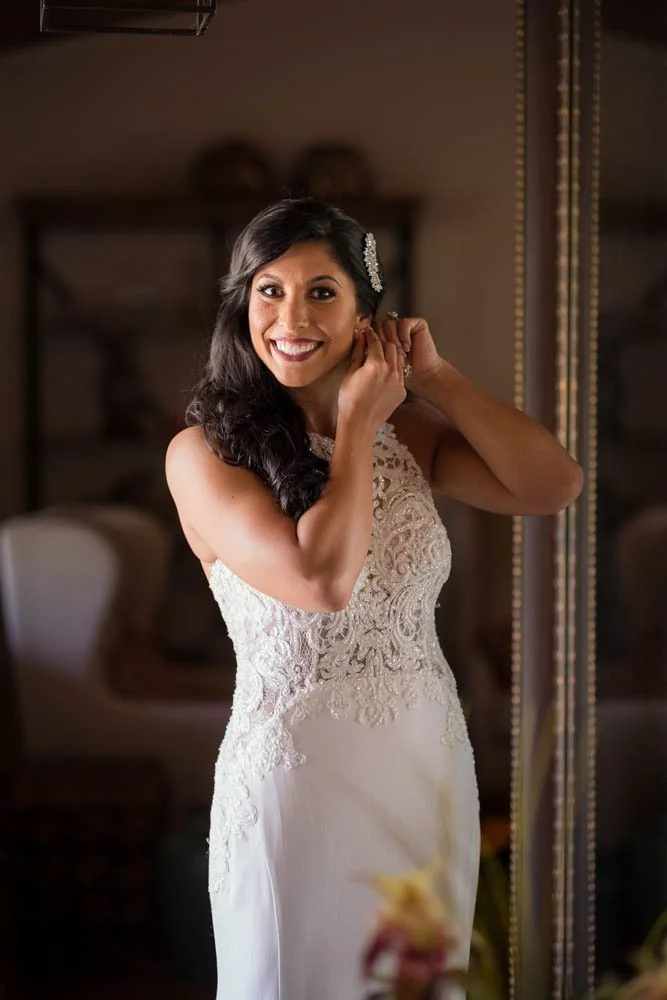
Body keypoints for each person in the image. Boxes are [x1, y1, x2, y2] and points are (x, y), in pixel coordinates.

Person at [165, 197, 583, 1000]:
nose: (291, 315)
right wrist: (356, 427)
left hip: (422, 766)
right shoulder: (204, 455)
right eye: (268, 290)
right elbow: (321, 581)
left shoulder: (412, 438)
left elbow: (551, 484)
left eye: (322, 291)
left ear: (366, 314)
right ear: (243, 303)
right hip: (298, 780)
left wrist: (435, 379)